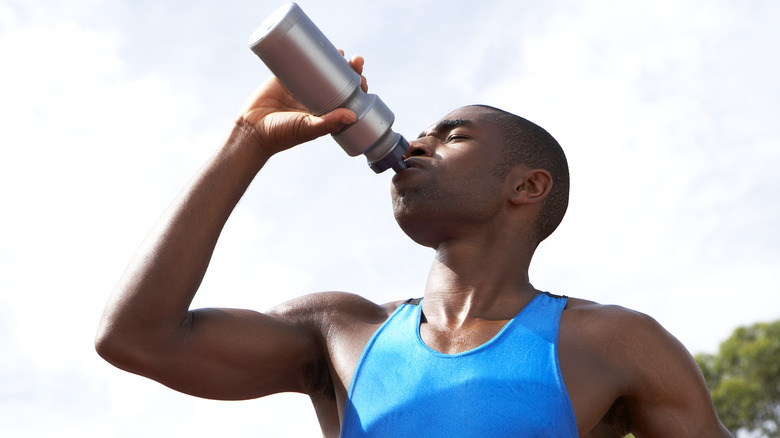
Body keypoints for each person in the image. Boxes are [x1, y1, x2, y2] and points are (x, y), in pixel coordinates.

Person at [95, 55, 732, 437]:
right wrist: (248, 141)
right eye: (421, 132)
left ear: (527, 186)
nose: (418, 143)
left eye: (452, 136)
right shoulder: (338, 330)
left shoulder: (617, 343)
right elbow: (134, 337)